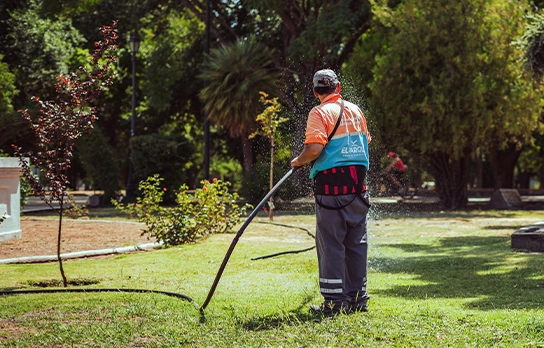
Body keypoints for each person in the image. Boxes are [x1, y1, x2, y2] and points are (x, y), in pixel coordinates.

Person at [291, 69, 372, 316]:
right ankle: (357, 299)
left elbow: (314, 148)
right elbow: (366, 141)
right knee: (357, 243)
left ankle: (335, 303)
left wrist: (298, 161)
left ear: (316, 92)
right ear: (338, 88)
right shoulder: (355, 110)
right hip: (359, 189)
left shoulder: (319, 112)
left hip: (331, 191)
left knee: (331, 244)